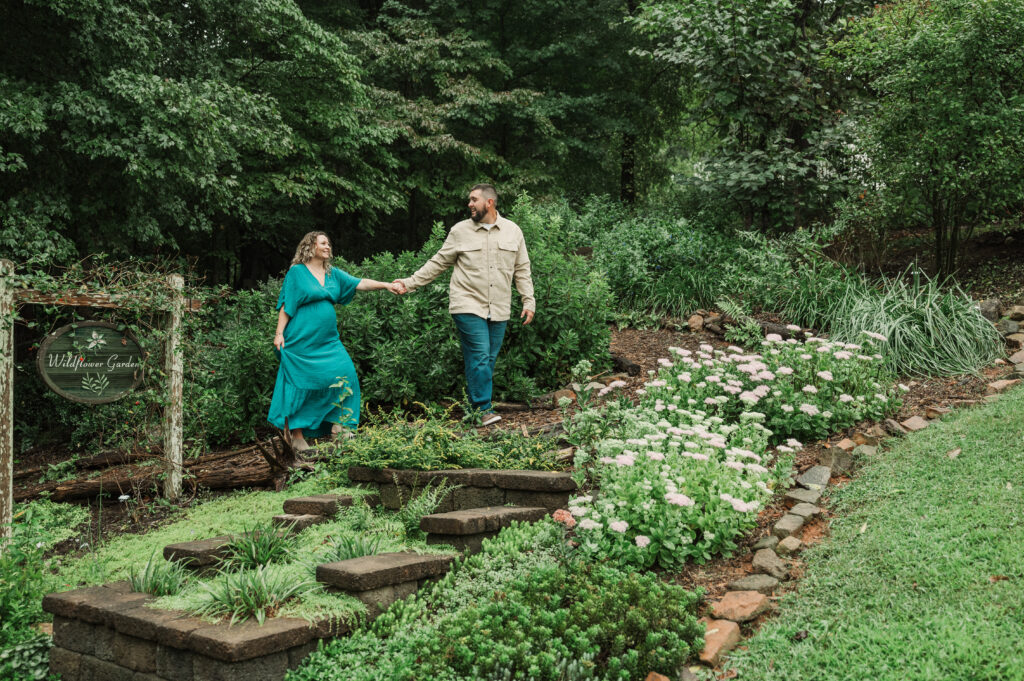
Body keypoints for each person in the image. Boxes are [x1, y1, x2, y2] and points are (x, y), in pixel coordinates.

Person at [393, 184, 535, 426]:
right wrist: (410, 282)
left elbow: (522, 269)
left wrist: (528, 300)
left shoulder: (513, 231)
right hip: (467, 304)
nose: (469, 204)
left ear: (489, 202)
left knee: (485, 359)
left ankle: (473, 410)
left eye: (474, 199)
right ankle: (483, 410)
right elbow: (438, 262)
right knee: (480, 356)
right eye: (469, 200)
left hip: (499, 306)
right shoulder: (460, 231)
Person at [268, 232, 399, 451]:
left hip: (328, 341)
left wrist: (387, 285)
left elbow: (361, 283)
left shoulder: (332, 273)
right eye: (323, 243)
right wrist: (279, 333)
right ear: (310, 246)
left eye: (329, 243)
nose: (328, 246)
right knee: (300, 382)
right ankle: (296, 434)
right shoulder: (297, 273)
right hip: (301, 340)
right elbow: (286, 305)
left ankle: (342, 427)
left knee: (346, 374)